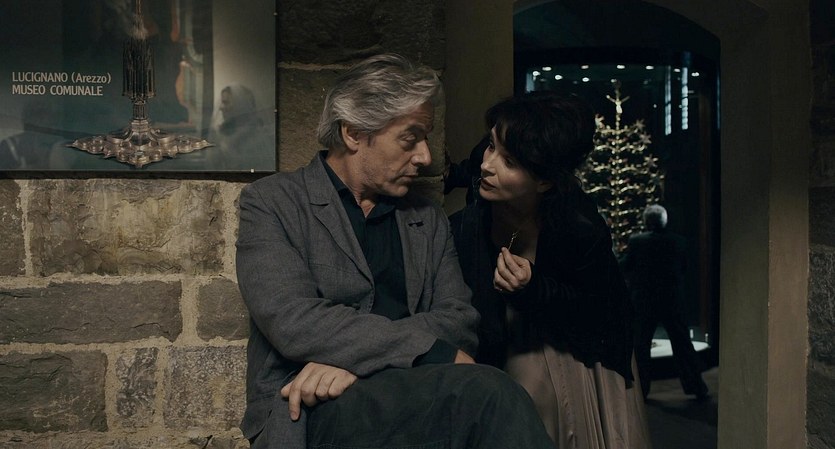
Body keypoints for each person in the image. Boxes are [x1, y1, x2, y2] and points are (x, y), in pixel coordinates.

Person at [235, 53, 556, 449]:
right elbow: (294, 321)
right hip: (310, 402)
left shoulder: (426, 217)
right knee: (492, 392)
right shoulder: (272, 202)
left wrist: (356, 361)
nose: (425, 157)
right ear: (353, 133)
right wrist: (428, 349)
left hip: (405, 392)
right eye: (410, 139)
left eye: (426, 139)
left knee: (494, 395)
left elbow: (459, 320)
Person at [450, 92, 652, 448]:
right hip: (501, 331)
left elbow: (596, 312)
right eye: (491, 146)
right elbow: (473, 167)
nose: (488, 165)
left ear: (544, 181)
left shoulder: (579, 227)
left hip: (573, 345)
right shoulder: (488, 171)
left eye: (508, 161)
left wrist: (532, 288)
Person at [619, 204, 710, 401]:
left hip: (644, 301)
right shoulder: (678, 241)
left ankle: (641, 390)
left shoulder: (637, 241)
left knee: (641, 346)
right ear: (665, 221)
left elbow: (627, 266)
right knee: (682, 344)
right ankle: (696, 386)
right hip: (672, 299)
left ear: (646, 221)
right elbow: (683, 268)